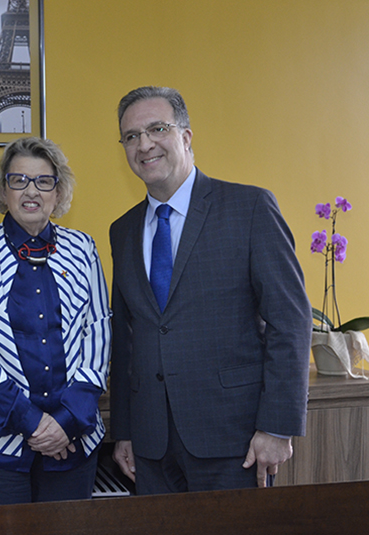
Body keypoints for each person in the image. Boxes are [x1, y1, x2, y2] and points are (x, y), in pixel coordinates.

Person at [109, 86, 311, 494]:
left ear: (186, 136)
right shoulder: (123, 230)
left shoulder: (249, 207)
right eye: (131, 136)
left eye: (157, 129)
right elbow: (126, 339)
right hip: (151, 445)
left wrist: (277, 426)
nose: (144, 144)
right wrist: (125, 430)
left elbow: (290, 321)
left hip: (233, 439)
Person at [0, 137, 111, 534]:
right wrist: (33, 423)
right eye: (19, 180)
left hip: (72, 443)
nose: (31, 190)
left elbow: (98, 333)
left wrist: (65, 422)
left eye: (43, 181)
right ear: (3, 190)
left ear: (59, 191)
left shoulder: (83, 249)